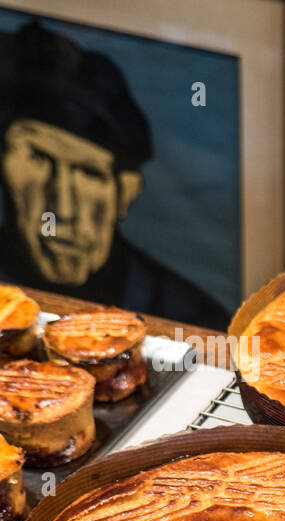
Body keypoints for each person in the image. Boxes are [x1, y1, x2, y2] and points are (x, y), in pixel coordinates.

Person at [0, 18, 230, 328]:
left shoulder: (196, 322)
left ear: (126, 192)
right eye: (39, 158)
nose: (63, 209)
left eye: (89, 174)